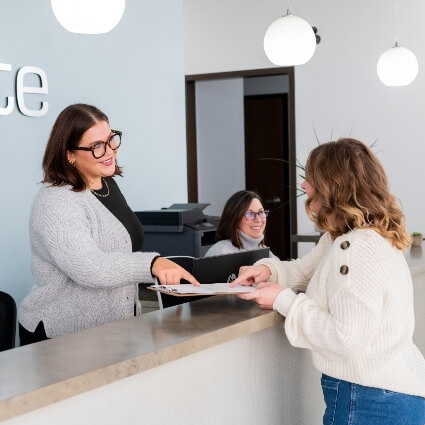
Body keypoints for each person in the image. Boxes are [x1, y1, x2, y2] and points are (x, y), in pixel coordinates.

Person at [231, 138, 425, 425]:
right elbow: (305, 271)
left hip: (369, 402)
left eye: (310, 179)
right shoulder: (350, 239)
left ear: (332, 187)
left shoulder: (357, 248)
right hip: (391, 397)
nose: (304, 187)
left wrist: (283, 300)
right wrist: (268, 271)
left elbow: (345, 338)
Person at [18, 104, 199, 346]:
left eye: (111, 139)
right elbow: (90, 266)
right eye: (96, 146)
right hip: (61, 333)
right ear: (69, 154)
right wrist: (152, 264)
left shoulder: (106, 184)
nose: (109, 151)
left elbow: (119, 249)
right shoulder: (55, 202)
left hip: (111, 329)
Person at [205, 190, 278, 258]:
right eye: (250, 214)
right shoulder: (221, 252)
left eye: (261, 212)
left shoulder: (264, 250)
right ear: (235, 219)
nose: (258, 219)